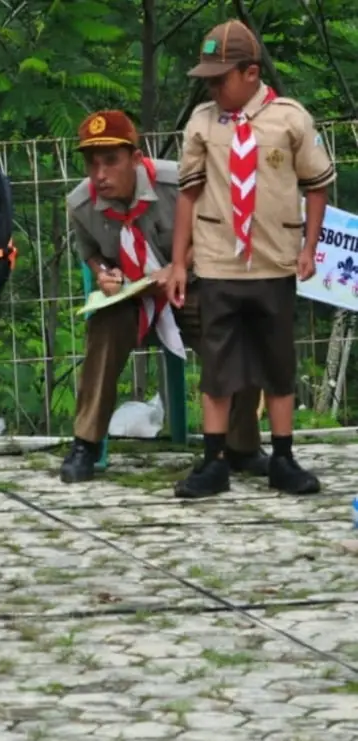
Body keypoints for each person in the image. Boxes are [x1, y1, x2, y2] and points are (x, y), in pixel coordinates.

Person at [60, 109, 269, 495]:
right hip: (134, 296)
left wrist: (176, 265)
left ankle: (241, 445)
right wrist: (105, 273)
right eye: (92, 162)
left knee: (238, 328)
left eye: (111, 161)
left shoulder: (178, 182)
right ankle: (85, 444)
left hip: (189, 285)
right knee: (103, 327)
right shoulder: (81, 204)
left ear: (136, 159)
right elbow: (90, 252)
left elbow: (218, 227)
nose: (99, 173)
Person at [167, 20, 335, 497]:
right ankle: (213, 460)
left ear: (251, 72)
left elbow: (317, 184)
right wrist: (180, 262)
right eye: (208, 81)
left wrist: (309, 247)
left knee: (278, 364)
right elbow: (187, 195)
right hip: (219, 263)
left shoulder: (289, 118)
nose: (214, 88)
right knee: (218, 368)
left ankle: (282, 456)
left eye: (222, 79)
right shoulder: (202, 122)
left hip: (274, 263)